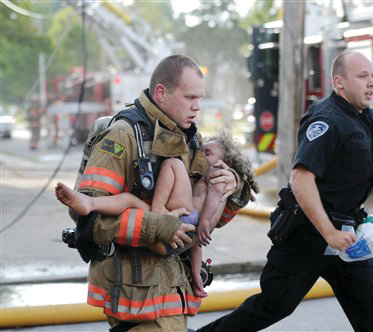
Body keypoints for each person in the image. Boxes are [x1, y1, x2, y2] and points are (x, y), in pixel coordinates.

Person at [195, 51, 373, 332]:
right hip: (307, 237)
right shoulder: (327, 119)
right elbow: (301, 180)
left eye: (372, 76)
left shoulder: (365, 117)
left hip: (347, 236)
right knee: (273, 306)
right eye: (362, 76)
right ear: (339, 82)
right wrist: (330, 233)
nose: (371, 82)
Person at [72, 55, 255, 331]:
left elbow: (205, 224)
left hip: (172, 292)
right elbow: (90, 219)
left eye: (200, 98)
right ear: (161, 92)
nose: (197, 107)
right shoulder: (122, 137)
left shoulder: (189, 139)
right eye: (190, 97)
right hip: (136, 297)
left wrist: (231, 189)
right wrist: (159, 226)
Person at [56, 129, 259, 298]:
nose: (202, 156)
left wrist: (204, 220)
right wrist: (197, 272)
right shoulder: (206, 178)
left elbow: (214, 198)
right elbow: (195, 242)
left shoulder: (219, 176)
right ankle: (90, 203)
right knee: (130, 200)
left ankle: (157, 211)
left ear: (225, 164)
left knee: (174, 164)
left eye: (208, 153)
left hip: (183, 220)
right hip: (176, 240)